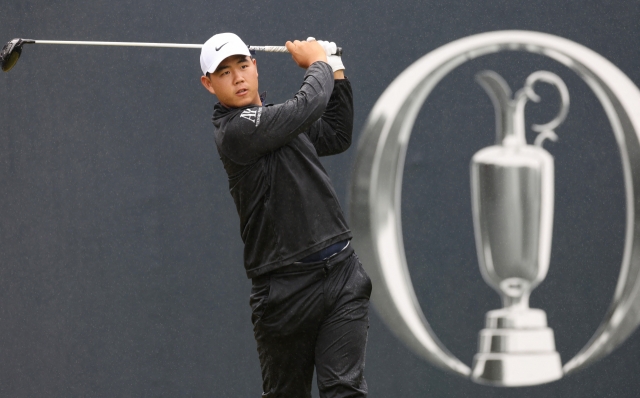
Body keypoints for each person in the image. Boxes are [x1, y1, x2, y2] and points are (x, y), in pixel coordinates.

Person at [199, 32, 371, 398]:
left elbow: (337, 134)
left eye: (242, 65)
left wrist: (336, 68)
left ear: (255, 66)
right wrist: (318, 62)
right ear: (208, 84)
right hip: (283, 293)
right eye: (224, 72)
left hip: (341, 274)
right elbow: (306, 106)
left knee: (345, 391)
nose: (238, 77)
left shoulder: (279, 120)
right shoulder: (235, 132)